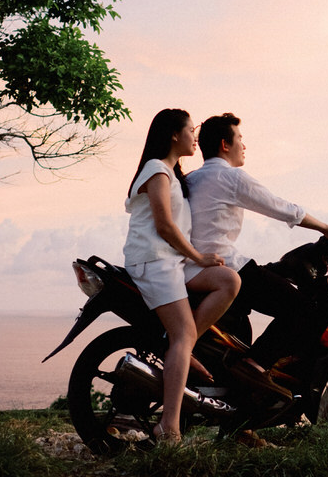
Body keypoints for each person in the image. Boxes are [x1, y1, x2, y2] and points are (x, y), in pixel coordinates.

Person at [185, 112, 328, 373]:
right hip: (224, 267)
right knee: (303, 308)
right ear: (225, 145)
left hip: (190, 268)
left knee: (265, 280)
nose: (244, 145)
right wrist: (326, 228)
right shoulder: (230, 177)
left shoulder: (191, 179)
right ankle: (256, 364)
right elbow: (280, 207)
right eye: (240, 138)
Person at [123, 108, 240, 443]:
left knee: (229, 280)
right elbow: (163, 225)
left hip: (171, 262)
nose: (194, 136)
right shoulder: (156, 170)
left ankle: (180, 348)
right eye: (190, 130)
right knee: (183, 332)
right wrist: (198, 257)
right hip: (153, 261)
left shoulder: (174, 176)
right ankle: (168, 426)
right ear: (174, 134)